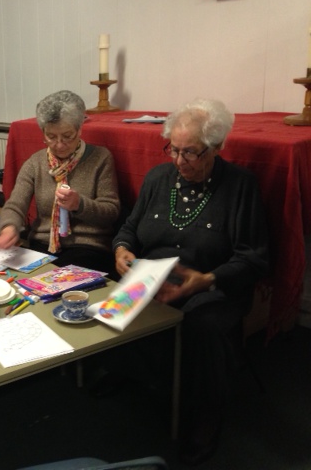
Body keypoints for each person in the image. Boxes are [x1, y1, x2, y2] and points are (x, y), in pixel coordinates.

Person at [112, 98, 269, 465]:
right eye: (174, 150)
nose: (180, 161)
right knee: (110, 299)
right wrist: (121, 249)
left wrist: (208, 279)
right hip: (154, 278)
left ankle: (205, 417)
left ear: (216, 147)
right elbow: (130, 229)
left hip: (214, 286)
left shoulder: (240, 187)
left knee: (201, 325)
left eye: (191, 153)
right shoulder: (157, 178)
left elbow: (254, 258)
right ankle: (147, 383)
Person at [0, 90, 120, 274]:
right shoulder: (35, 163)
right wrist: (9, 228)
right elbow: (15, 205)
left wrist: (79, 204)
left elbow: (111, 211)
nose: (59, 145)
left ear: (80, 129)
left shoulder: (100, 158)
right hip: (43, 246)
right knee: (16, 281)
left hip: (88, 247)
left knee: (56, 281)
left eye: (67, 136)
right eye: (51, 137)